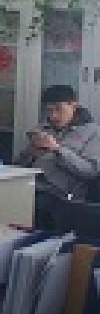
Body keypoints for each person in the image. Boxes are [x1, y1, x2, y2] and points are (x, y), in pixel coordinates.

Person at [17, 85, 100, 226]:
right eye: (49, 110)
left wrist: (57, 150)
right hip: (31, 187)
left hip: (62, 196)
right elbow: (19, 165)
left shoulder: (93, 132)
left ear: (74, 106)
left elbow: (91, 171)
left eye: (58, 109)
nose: (53, 116)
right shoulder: (42, 128)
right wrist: (29, 153)